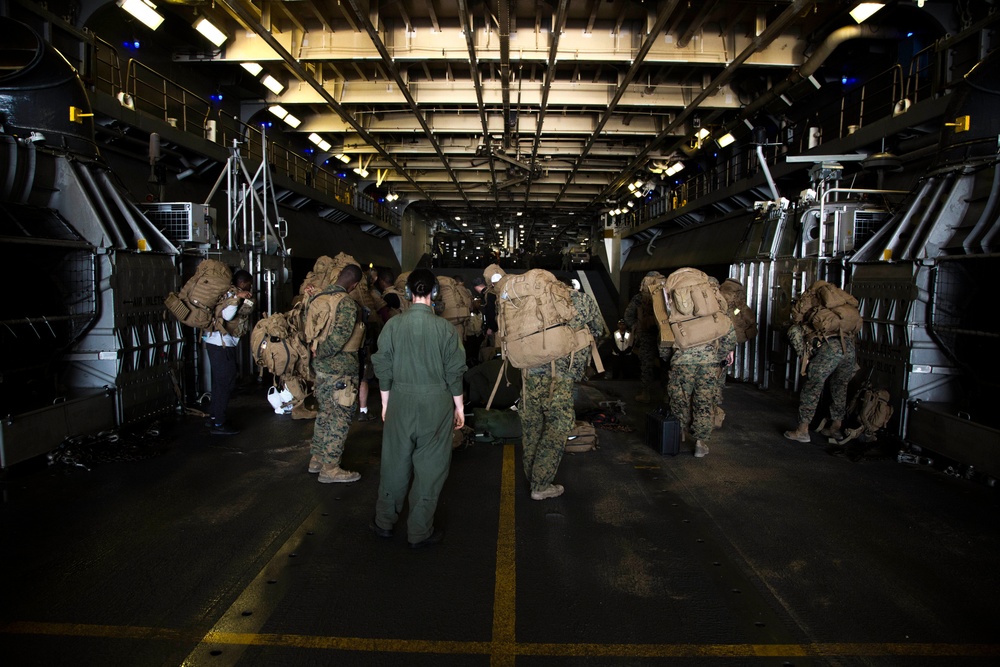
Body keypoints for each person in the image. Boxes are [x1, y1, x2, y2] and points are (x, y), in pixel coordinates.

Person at [370, 269, 467, 548]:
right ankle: (419, 532)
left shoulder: (393, 326)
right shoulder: (446, 329)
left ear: (408, 293)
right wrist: (458, 408)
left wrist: (386, 404)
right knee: (431, 468)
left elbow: (383, 367)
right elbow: (454, 373)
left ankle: (384, 522)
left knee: (394, 463)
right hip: (436, 404)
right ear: (434, 294)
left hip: (400, 399)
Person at [520, 282, 605, 500]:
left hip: (530, 374)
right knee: (557, 427)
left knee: (532, 426)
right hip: (560, 376)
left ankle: (532, 476)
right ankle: (540, 485)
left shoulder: (530, 300)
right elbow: (597, 330)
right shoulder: (581, 300)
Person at [307, 264, 365, 483]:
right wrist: (323, 353)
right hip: (341, 371)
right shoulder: (347, 304)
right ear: (355, 285)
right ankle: (330, 468)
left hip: (321, 370)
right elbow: (339, 340)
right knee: (340, 418)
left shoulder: (318, 298)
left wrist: (316, 355)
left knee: (325, 413)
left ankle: (317, 459)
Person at [667, 324, 736, 458]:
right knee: (704, 401)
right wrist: (717, 356)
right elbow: (729, 335)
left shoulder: (674, 304)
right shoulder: (715, 305)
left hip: (682, 359)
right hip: (709, 361)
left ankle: (677, 435)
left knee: (680, 399)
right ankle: (700, 443)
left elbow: (664, 335)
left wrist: (669, 359)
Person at [784, 323, 858, 443]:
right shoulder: (832, 318)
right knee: (840, 387)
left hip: (830, 350)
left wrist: (805, 360)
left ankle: (802, 431)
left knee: (812, 388)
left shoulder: (798, 327)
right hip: (848, 349)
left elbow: (803, 355)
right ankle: (835, 429)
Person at [205, 269, 254, 435]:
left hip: (217, 344)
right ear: (242, 283)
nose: (250, 288)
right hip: (221, 345)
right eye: (248, 285)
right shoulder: (230, 294)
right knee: (226, 383)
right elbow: (227, 316)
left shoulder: (227, 293)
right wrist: (238, 298)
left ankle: (214, 417)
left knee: (219, 383)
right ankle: (219, 423)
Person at [623, 272, 663, 402]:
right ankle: (667, 395)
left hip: (646, 336)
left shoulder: (639, 298)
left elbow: (628, 316)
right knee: (666, 365)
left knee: (646, 366)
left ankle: (646, 393)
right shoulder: (666, 295)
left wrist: (637, 327)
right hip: (664, 336)